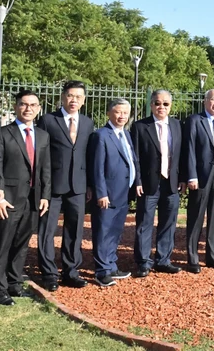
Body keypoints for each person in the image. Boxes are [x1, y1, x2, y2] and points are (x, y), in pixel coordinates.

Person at [0, 90, 51, 306]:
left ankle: (14, 283)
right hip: (9, 198)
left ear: (39, 108)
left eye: (33, 105)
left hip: (33, 200)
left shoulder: (42, 135)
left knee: (22, 243)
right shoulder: (4, 133)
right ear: (16, 107)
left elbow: (45, 168)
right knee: (2, 244)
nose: (28, 109)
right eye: (24, 104)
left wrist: (45, 196)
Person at [36, 80, 95, 292]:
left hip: (78, 186)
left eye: (78, 97)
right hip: (51, 186)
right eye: (70, 96)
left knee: (75, 230)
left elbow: (89, 156)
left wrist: (89, 185)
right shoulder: (48, 120)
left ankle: (71, 271)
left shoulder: (88, 123)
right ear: (63, 97)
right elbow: (40, 154)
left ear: (84, 100)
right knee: (47, 231)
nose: (74, 100)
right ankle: (49, 273)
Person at [132, 90, 182, 276]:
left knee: (168, 223)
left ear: (171, 106)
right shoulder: (140, 126)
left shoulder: (177, 125)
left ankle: (163, 260)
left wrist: (183, 178)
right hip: (148, 183)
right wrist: (137, 181)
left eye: (165, 104)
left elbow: (181, 155)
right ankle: (143, 261)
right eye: (157, 103)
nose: (161, 107)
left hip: (171, 183)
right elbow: (135, 157)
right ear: (151, 105)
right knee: (144, 223)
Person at [183, 88, 214, 272]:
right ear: (205, 101)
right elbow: (189, 149)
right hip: (201, 174)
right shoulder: (195, 121)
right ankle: (193, 258)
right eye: (213, 100)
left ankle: (213, 256)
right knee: (196, 216)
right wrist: (191, 175)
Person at [89, 98, 137, 287]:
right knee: (103, 231)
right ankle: (101, 271)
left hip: (123, 193)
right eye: (118, 112)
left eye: (125, 113)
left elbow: (132, 161)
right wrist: (101, 193)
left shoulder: (126, 134)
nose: (122, 116)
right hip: (107, 194)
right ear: (110, 113)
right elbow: (97, 167)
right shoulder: (101, 135)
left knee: (115, 232)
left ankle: (111, 264)